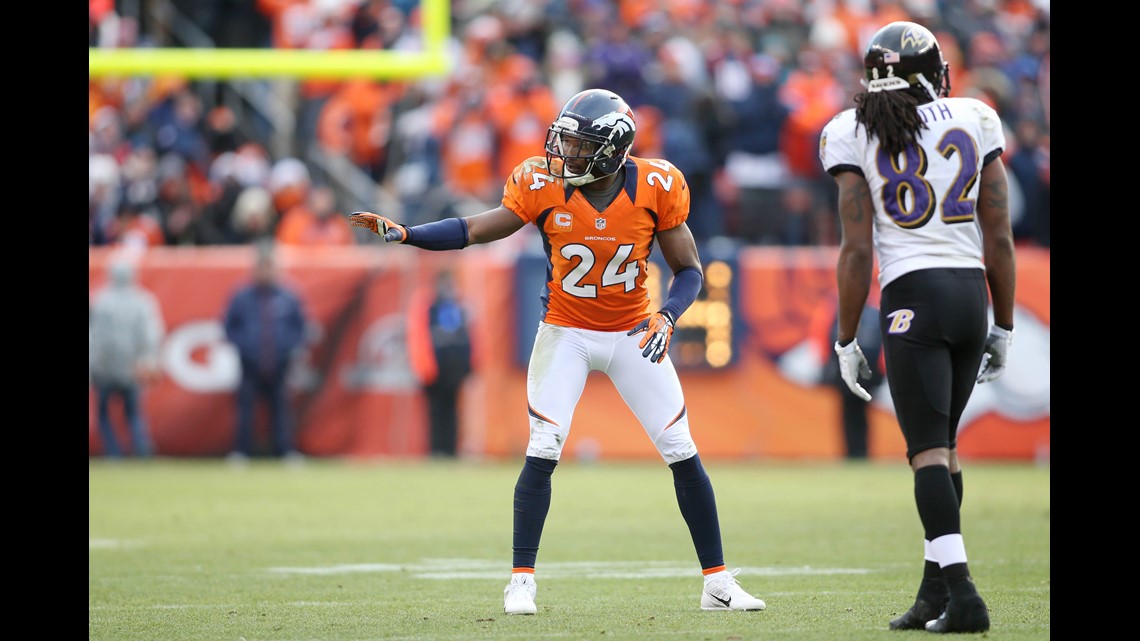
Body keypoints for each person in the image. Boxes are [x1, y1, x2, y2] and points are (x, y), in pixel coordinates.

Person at [350, 88, 766, 616]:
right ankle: (521, 581)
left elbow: (689, 270)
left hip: (634, 331)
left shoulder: (657, 185)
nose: (563, 153)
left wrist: (667, 315)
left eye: (577, 144)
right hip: (565, 331)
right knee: (544, 445)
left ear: (611, 150)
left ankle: (718, 583)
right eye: (563, 141)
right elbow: (478, 229)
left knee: (681, 448)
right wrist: (408, 233)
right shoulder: (541, 182)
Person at [818, 21, 1016, 634]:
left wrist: (847, 335)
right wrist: (1003, 324)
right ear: (931, 73)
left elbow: (855, 252)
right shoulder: (975, 116)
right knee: (945, 453)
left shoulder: (849, 130)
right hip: (968, 295)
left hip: (911, 297)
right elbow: (999, 236)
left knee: (927, 452)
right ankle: (934, 594)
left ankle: (964, 594)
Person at [222, 242, 310, 462]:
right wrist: (246, 347)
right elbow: (229, 326)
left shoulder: (289, 295)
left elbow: (300, 327)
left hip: (280, 363)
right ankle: (241, 452)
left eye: (270, 266)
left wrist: (288, 348)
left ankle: (285, 451)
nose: (267, 271)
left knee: (282, 410)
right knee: (245, 410)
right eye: (263, 266)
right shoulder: (242, 296)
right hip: (249, 363)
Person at [89, 259, 166, 458]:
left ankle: (114, 453)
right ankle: (141, 449)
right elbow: (151, 334)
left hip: (105, 368)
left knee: (105, 414)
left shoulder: (100, 300)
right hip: (133, 367)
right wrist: (148, 359)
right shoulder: (142, 301)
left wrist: (93, 365)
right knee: (133, 413)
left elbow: (93, 338)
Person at [406, 269, 474, 457]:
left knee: (452, 411)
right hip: (435, 366)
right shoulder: (428, 306)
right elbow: (419, 337)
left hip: (454, 367)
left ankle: (450, 450)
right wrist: (422, 366)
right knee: (436, 411)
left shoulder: (460, 306)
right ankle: (437, 450)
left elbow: (469, 337)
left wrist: (469, 364)